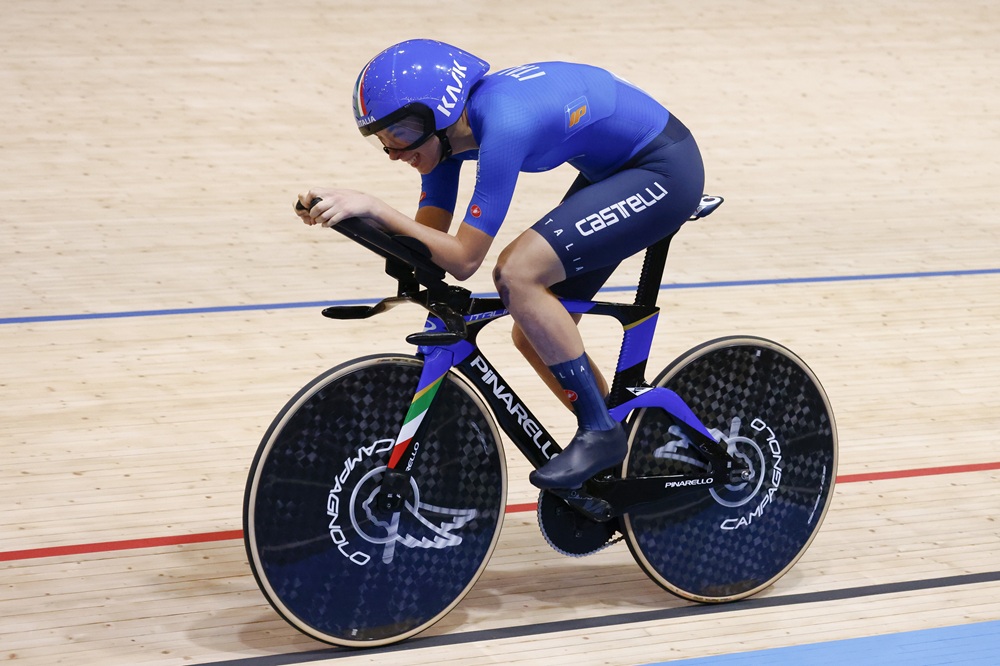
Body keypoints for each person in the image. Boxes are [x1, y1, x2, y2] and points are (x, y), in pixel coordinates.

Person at [297, 39, 705, 491]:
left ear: (440, 113)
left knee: (517, 273)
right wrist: (352, 220)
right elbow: (426, 243)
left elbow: (464, 258)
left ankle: (599, 432)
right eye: (383, 139)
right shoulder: (444, 138)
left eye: (401, 133)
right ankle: (624, 443)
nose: (394, 152)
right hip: (615, 171)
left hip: (664, 171)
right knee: (535, 330)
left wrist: (374, 205)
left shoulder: (506, 122)